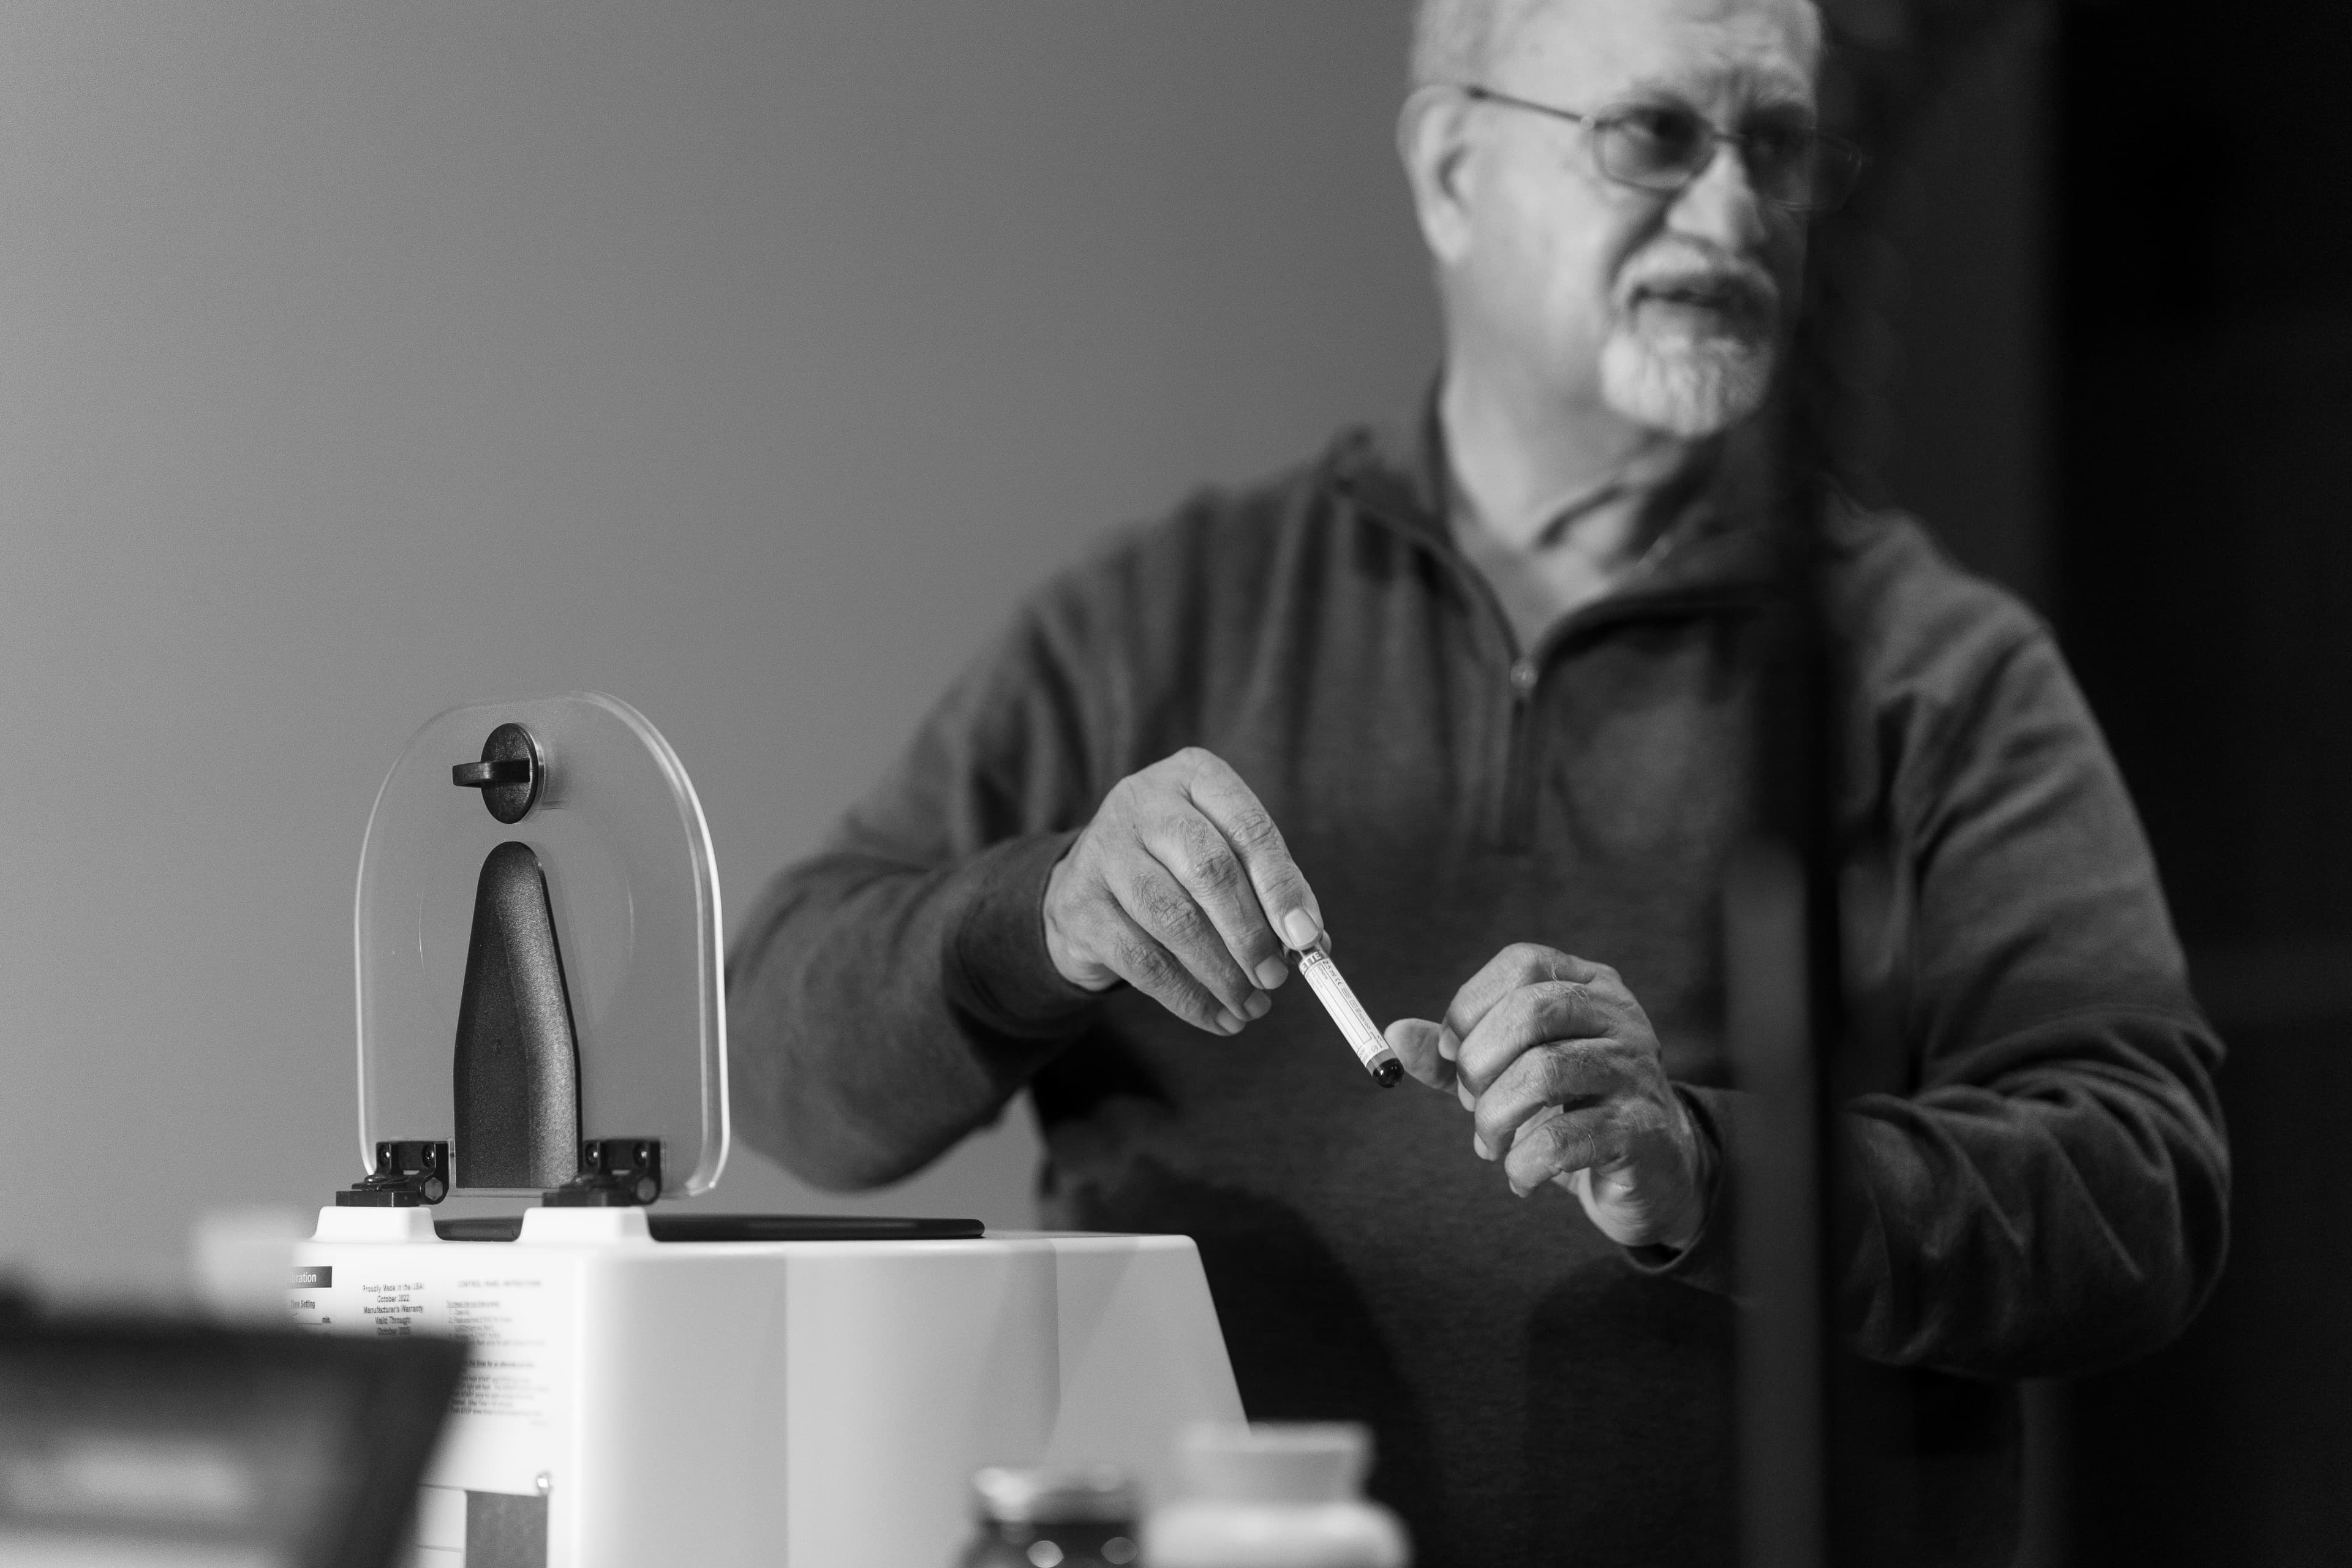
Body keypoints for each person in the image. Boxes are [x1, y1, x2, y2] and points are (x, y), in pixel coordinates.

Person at [726, 0, 2229, 1561]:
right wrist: (1037, 918)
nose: (1734, 215)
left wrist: (1715, 1167)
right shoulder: (1156, 621)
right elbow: (780, 1061)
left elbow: (2139, 1189)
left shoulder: (1939, 668)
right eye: (1655, 135)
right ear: (1453, 170)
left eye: (1779, 146)